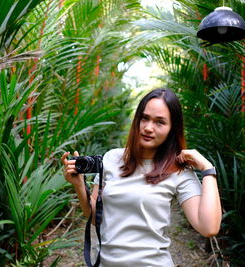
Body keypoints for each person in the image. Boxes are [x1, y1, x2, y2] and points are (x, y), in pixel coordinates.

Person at [62, 88, 221, 267]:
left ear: (172, 129)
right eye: (145, 118)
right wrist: (79, 185)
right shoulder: (112, 158)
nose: (148, 128)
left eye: (160, 122)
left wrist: (207, 169)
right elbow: (94, 217)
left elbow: (209, 227)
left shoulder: (178, 170)